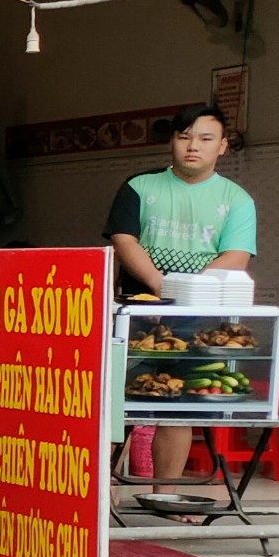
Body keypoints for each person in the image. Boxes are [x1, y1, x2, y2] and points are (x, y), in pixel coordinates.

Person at [106, 102, 259, 481]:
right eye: (184, 136)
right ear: (172, 142)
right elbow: (124, 240)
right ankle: (100, 494)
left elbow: (237, 255)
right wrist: (162, 287)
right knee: (112, 404)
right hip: (137, 311)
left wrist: (187, 293)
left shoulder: (237, 199)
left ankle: (165, 495)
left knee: (178, 408)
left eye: (206, 138)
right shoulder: (138, 187)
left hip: (201, 318)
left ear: (222, 146)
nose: (193, 145)